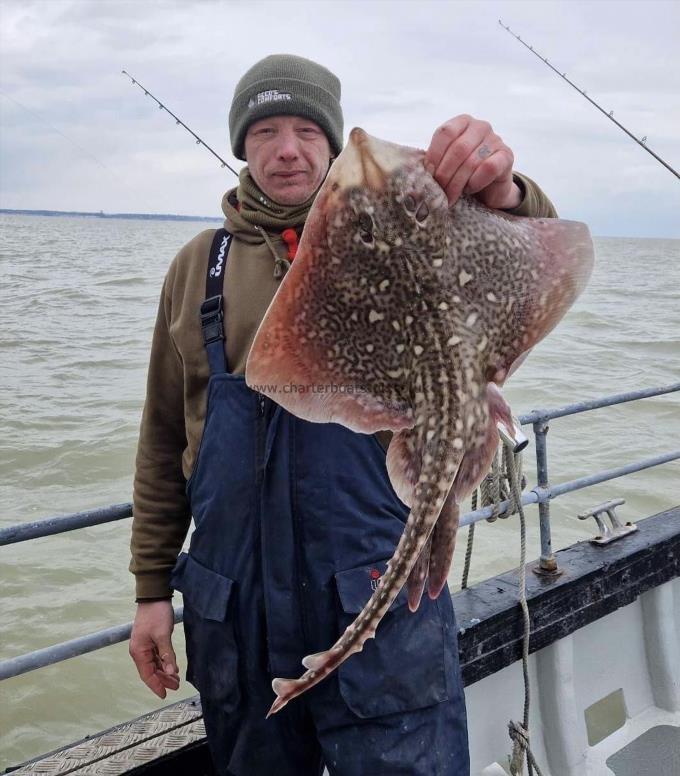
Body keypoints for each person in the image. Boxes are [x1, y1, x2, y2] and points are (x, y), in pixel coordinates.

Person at [128, 54, 557, 776]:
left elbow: (522, 249)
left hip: (376, 586)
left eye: (305, 129)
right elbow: (164, 438)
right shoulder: (199, 266)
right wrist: (149, 591)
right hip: (236, 607)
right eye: (265, 131)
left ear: (330, 146)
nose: (287, 148)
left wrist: (506, 189)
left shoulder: (401, 243)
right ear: (242, 146)